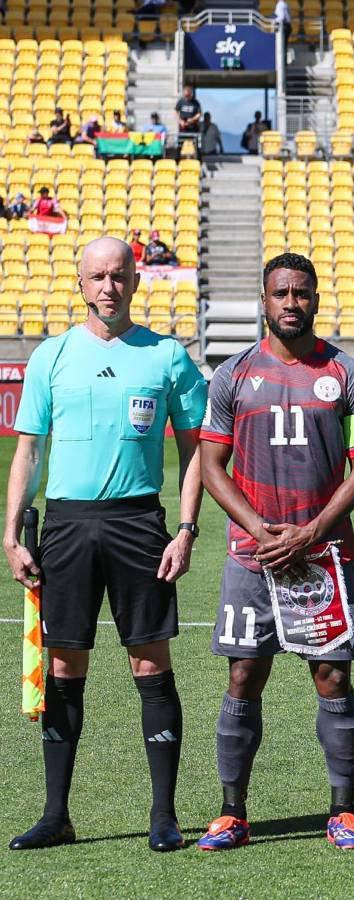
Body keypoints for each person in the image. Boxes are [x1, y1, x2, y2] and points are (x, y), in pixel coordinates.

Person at [4, 237, 207, 853]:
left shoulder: (168, 356)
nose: (108, 287)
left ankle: (164, 816)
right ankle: (56, 815)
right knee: (65, 667)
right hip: (67, 526)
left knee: (150, 664)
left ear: (135, 281)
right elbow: (29, 451)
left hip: (139, 525)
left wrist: (187, 529)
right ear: (81, 283)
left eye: (119, 275)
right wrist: (11, 533)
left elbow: (196, 448)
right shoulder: (53, 355)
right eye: (97, 276)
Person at [195, 252, 354, 852]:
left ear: (316, 299)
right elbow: (211, 466)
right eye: (280, 293)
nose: (291, 302)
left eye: (301, 292)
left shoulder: (347, 375)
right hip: (252, 556)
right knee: (244, 675)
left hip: (323, 557)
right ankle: (232, 812)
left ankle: (343, 810)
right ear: (264, 301)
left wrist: (315, 529)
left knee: (331, 677)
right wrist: (263, 531)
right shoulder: (233, 375)